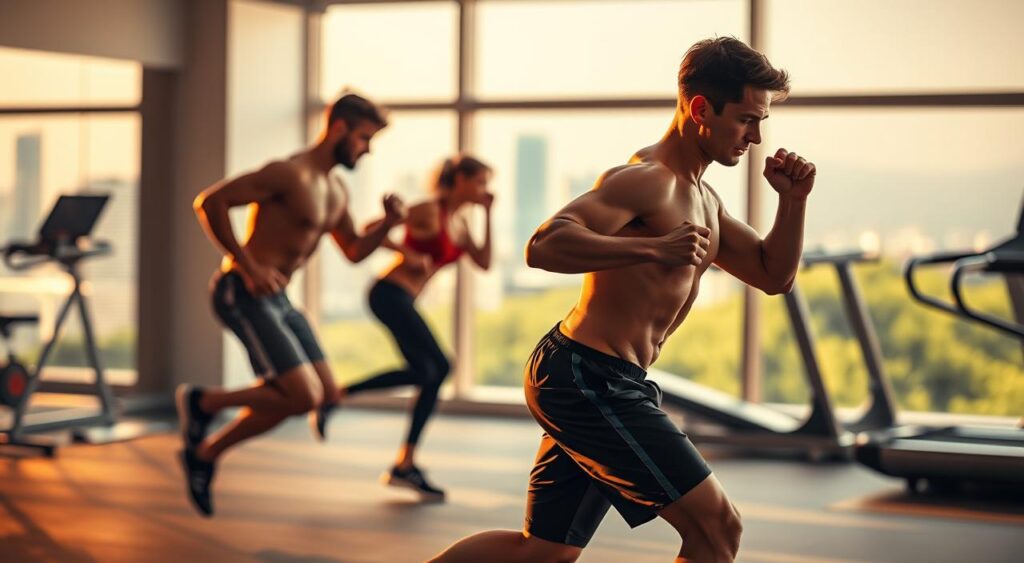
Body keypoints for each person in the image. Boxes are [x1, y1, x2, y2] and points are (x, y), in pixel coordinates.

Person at [431, 37, 814, 562]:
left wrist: (793, 202)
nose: (756, 137)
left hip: (608, 378)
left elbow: (774, 275)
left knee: (542, 553)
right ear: (701, 110)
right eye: (747, 120)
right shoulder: (648, 181)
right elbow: (544, 244)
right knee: (717, 528)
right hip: (584, 377)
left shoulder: (705, 198)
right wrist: (653, 247)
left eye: (761, 121)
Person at [176, 92, 406, 517]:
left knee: (325, 394)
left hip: (279, 298)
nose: (367, 149)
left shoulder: (336, 190)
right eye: (363, 138)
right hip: (242, 290)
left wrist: (388, 225)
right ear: (339, 128)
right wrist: (248, 266)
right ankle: (202, 405)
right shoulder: (288, 173)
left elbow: (354, 250)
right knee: (301, 397)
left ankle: (204, 447)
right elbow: (210, 202)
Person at [316, 154, 495, 501]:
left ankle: (349, 407)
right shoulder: (429, 209)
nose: (485, 189)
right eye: (480, 181)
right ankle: (402, 460)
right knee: (439, 366)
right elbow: (371, 228)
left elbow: (484, 262)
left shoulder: (460, 223)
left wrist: (487, 213)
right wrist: (406, 252)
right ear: (460, 180)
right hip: (388, 293)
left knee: (427, 371)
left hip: (404, 299)